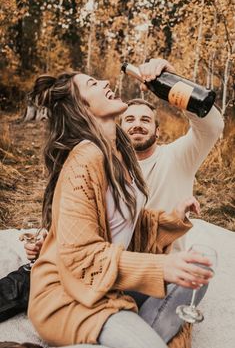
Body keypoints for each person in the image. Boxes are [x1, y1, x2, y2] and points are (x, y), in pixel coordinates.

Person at [24, 61, 213, 348]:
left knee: (196, 273)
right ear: (81, 107)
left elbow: (126, 226)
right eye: (92, 85)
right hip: (70, 296)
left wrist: (173, 219)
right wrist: (161, 267)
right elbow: (82, 255)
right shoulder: (84, 159)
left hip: (108, 285)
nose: (104, 84)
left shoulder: (119, 152)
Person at [120, 59, 224, 251]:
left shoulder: (177, 157)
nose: (137, 124)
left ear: (157, 131)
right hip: (122, 268)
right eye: (129, 119)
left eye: (145, 120)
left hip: (170, 270)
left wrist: (177, 85)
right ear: (120, 129)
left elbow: (212, 127)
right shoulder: (109, 165)